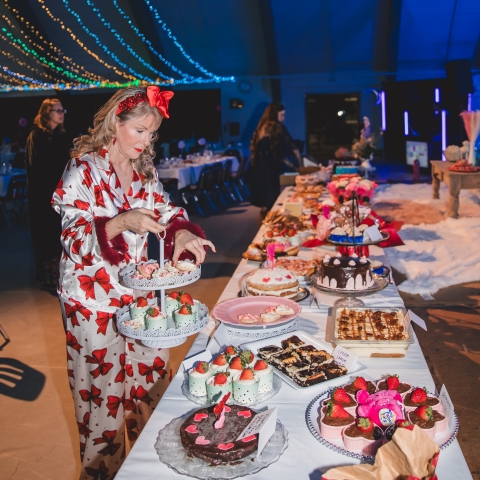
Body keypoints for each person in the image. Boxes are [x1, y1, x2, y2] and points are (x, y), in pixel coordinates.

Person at [51, 86, 215, 479]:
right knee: (102, 402)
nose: (146, 142)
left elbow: (168, 210)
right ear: (115, 123)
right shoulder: (83, 169)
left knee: (151, 387)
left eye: (152, 134)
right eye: (140, 130)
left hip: (140, 299)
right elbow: (73, 238)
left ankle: (150, 470)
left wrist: (182, 233)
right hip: (91, 303)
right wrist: (120, 222)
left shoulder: (145, 172)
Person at [26, 98, 71, 289]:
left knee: (58, 233)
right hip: (42, 194)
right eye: (57, 110)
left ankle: (59, 274)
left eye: (62, 110)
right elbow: (39, 168)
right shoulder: (36, 136)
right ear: (47, 113)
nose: (61, 114)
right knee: (44, 234)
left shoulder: (62, 136)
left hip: (59, 193)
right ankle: (47, 276)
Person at [249, 102, 302, 218]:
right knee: (272, 200)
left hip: (258, 166)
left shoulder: (261, 126)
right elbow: (292, 146)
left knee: (265, 203)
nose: (283, 119)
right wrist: (300, 164)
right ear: (274, 114)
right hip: (269, 167)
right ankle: (269, 227)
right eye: (281, 115)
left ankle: (264, 228)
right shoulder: (276, 126)